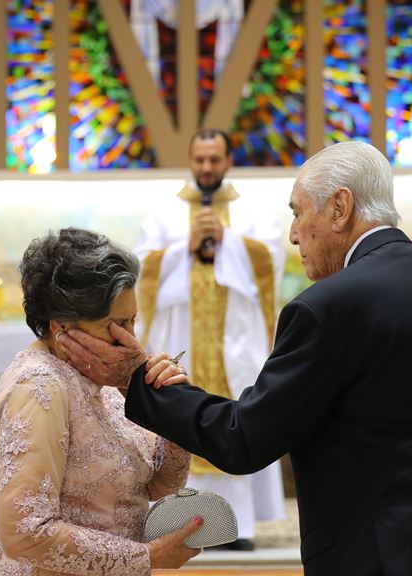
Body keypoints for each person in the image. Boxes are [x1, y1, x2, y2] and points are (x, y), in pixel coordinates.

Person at [56, 143, 412, 576]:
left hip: (394, 559)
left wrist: (137, 379)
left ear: (340, 207)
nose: (293, 234)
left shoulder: (326, 308)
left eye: (299, 212)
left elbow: (244, 439)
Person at [0, 228, 203, 575]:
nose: (129, 339)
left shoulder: (104, 376)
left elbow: (162, 485)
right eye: (115, 325)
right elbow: (25, 533)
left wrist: (167, 404)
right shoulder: (39, 387)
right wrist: (147, 558)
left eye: (132, 321)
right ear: (62, 326)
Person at [133, 128, 286, 550]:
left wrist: (227, 241)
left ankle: (240, 527)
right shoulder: (164, 213)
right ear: (190, 160)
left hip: (234, 341)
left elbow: (271, 258)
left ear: (227, 161)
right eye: (199, 160)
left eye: (214, 160)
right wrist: (185, 246)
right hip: (180, 337)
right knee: (179, 416)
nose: (206, 168)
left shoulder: (251, 210)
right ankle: (179, 522)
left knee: (238, 414)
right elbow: (141, 267)